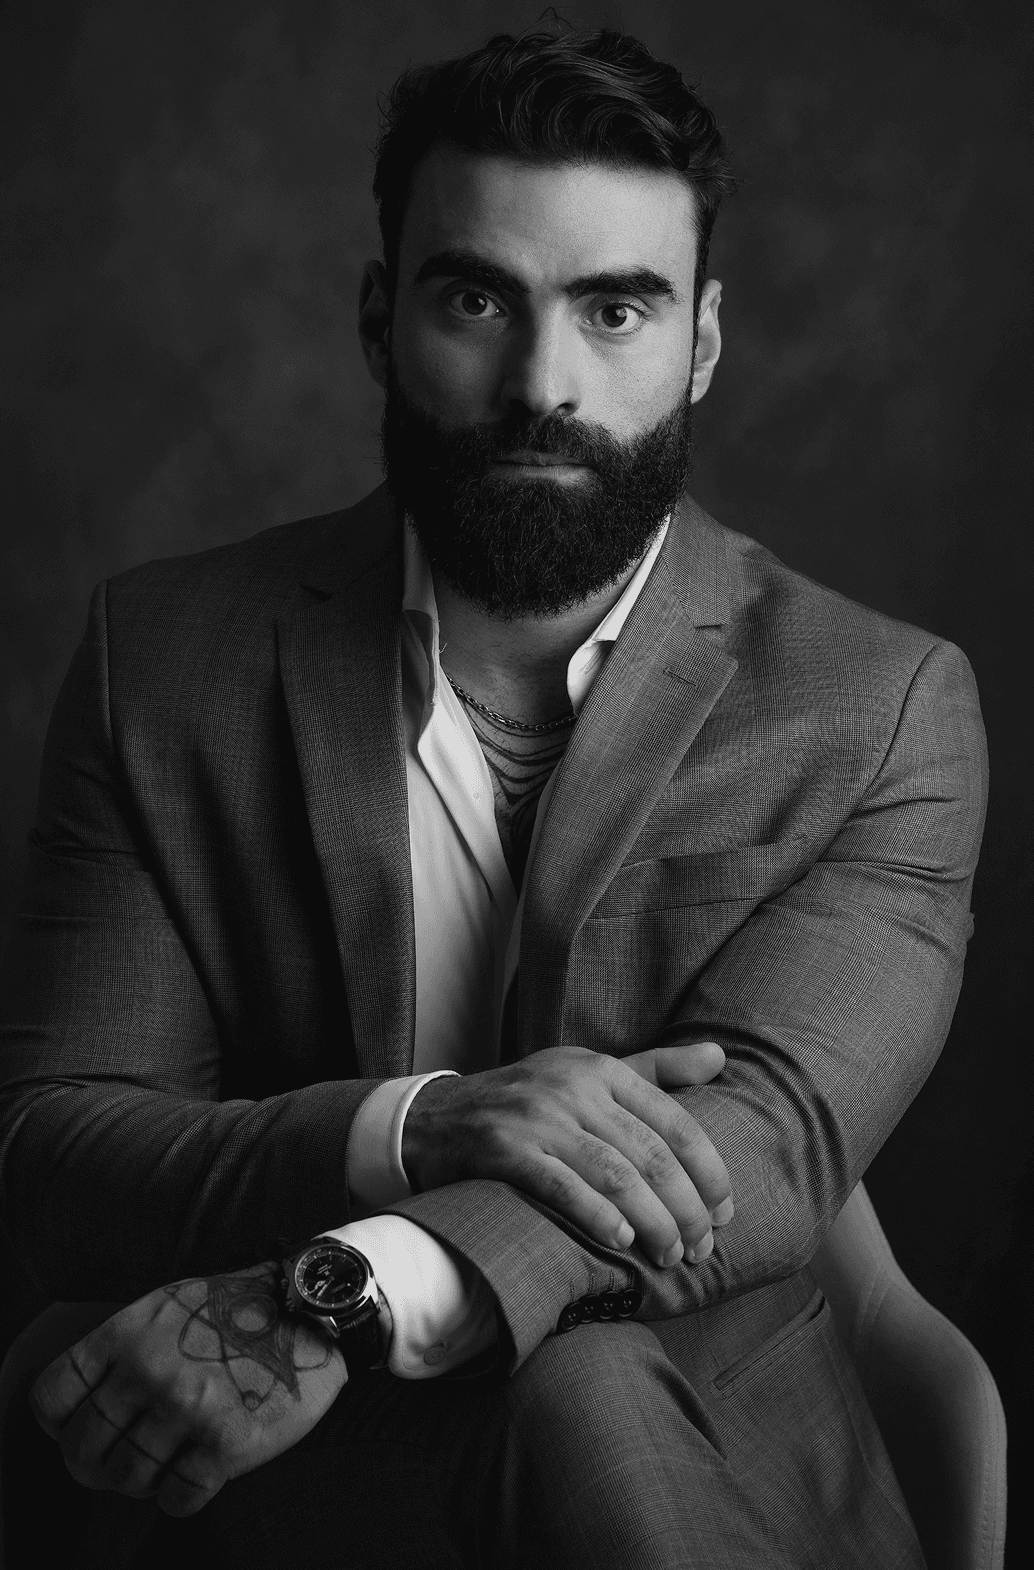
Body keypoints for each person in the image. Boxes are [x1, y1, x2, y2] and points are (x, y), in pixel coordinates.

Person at [0, 26, 986, 1570]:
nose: (542, 384)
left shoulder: (877, 706)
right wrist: (422, 1127)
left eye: (614, 309)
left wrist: (337, 1290)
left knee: (576, 1390)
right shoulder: (166, 659)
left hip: (680, 1440)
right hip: (270, 1476)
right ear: (380, 318)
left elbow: (760, 1150)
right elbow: (55, 1158)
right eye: (476, 300)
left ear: (700, 344)